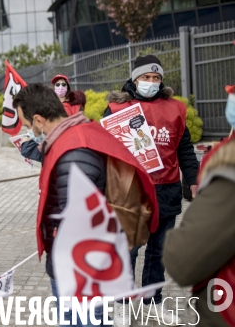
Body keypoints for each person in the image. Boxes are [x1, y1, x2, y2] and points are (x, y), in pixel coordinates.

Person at [12, 83, 158, 327]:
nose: (28, 131)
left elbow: (78, 221)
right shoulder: (74, 134)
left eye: (27, 125)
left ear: (38, 120)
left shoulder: (73, 149)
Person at [104, 55, 199, 325]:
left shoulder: (176, 109)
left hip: (167, 190)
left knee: (159, 251)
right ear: (135, 79)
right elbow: (105, 150)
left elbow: (185, 151)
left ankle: (152, 301)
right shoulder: (117, 109)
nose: (151, 82)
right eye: (146, 77)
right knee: (129, 251)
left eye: (156, 78)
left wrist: (193, 179)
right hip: (131, 191)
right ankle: (122, 303)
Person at [163, 139, 234, 326]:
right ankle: (129, 301)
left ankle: (151, 301)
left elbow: (183, 261)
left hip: (226, 310)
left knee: (156, 252)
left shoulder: (229, 170)